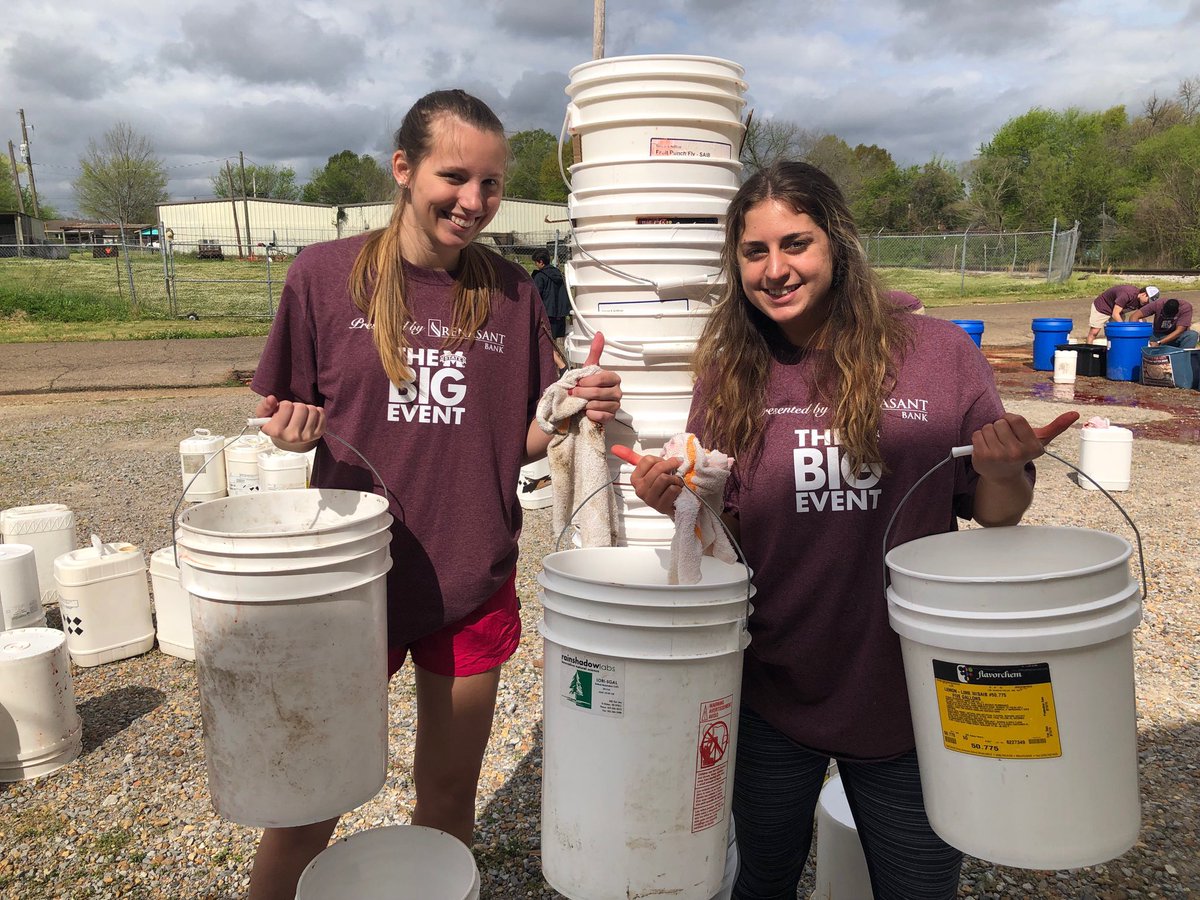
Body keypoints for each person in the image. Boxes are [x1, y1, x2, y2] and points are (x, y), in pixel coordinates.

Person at [622, 161, 1076, 900]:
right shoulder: (732, 366)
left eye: (795, 244)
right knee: (762, 875)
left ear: (836, 243)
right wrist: (673, 499)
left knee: (919, 885)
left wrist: (1001, 470)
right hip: (773, 686)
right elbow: (725, 528)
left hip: (909, 697)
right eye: (754, 252)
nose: (775, 270)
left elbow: (997, 514)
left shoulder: (936, 355)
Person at [247, 89, 622, 900]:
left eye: (490, 185)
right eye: (456, 177)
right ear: (404, 169)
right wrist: (290, 429)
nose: (474, 202)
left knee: (448, 800)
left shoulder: (516, 292)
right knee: (307, 809)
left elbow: (511, 437)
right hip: (351, 586)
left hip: (469, 580)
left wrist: (567, 409)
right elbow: (281, 410)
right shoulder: (324, 276)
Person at [1085, 284, 1157, 343]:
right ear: (1144, 294)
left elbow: (1140, 317)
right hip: (1103, 307)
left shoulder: (1142, 301)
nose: (1147, 304)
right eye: (1148, 301)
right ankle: (1088, 353)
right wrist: (1125, 328)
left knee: (1116, 334)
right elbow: (1115, 314)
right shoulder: (1127, 294)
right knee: (1094, 332)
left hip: (1119, 310)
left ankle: (1112, 352)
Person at [1129, 296, 1199, 349]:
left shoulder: (1185, 308)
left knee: (1192, 335)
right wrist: (1136, 336)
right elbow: (1134, 316)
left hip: (1173, 337)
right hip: (1156, 335)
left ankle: (1183, 358)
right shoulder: (1158, 304)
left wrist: (1159, 343)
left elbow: (1179, 331)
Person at [531, 248, 571, 339]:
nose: (536, 265)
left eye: (536, 262)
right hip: (560, 315)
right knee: (555, 343)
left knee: (546, 343)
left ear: (541, 262)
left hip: (546, 315)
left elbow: (536, 296)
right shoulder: (559, 273)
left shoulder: (540, 276)